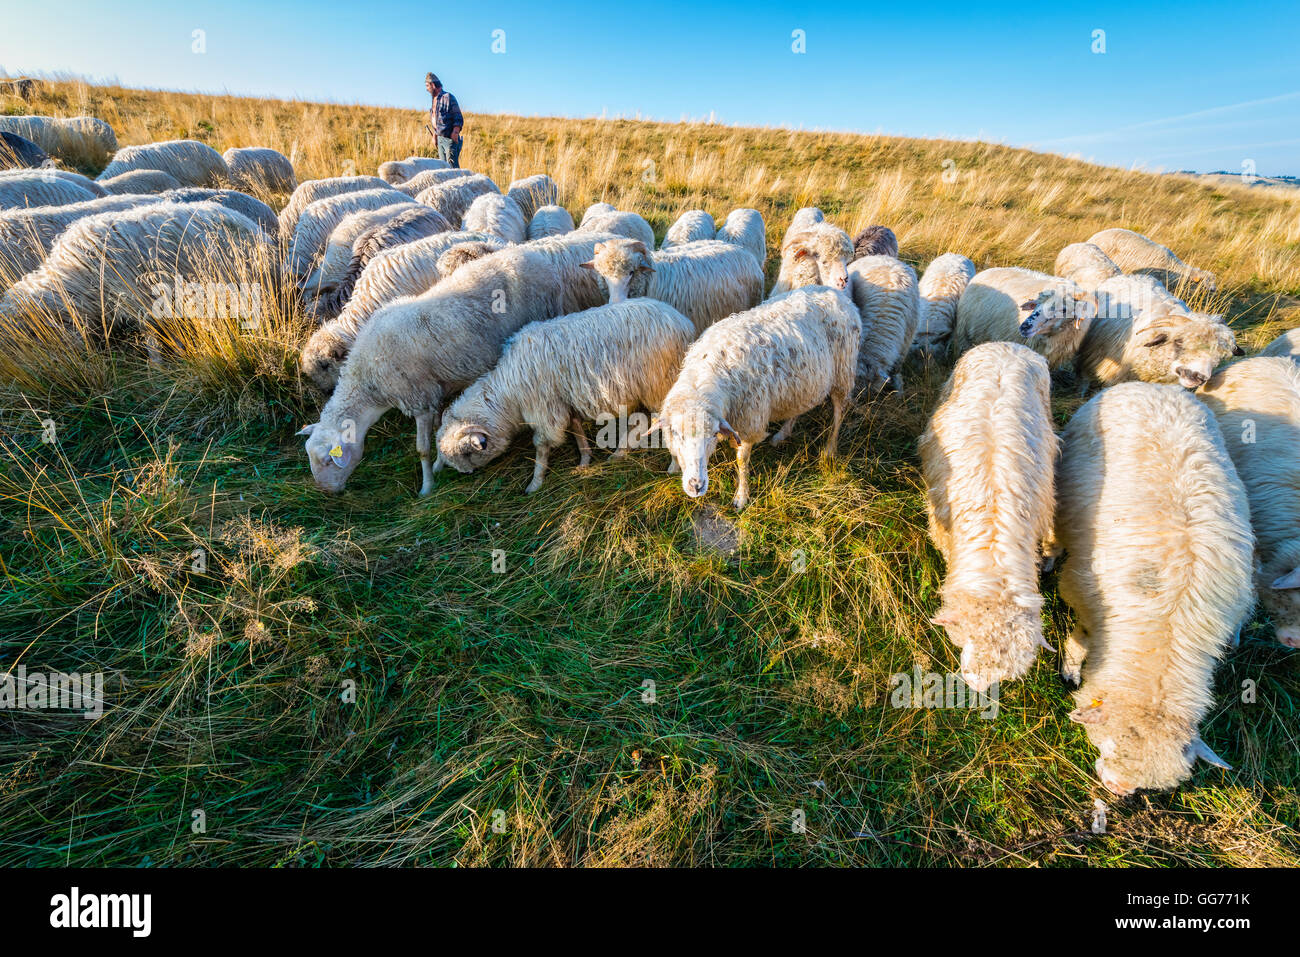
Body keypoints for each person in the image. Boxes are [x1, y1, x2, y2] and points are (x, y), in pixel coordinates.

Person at [425, 72, 463, 168]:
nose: (426, 89)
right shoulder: (435, 99)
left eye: (427, 86)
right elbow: (437, 120)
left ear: (433, 85)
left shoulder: (448, 97)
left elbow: (458, 116)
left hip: (449, 138)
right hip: (440, 138)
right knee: (443, 168)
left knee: (452, 168)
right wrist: (435, 135)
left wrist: (455, 132)